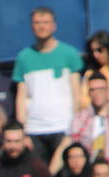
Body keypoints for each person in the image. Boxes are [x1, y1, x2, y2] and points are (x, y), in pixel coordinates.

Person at [13, 7, 82, 160]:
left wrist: (75, 126)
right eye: (37, 23)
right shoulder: (23, 57)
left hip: (63, 126)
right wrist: (23, 130)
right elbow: (21, 97)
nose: (41, 26)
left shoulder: (69, 53)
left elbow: (77, 93)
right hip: (34, 129)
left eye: (45, 22)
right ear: (32, 26)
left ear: (54, 26)